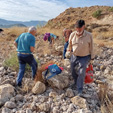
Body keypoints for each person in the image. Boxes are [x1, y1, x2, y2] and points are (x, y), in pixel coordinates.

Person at [66, 20, 94, 95]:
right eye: (76, 28)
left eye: (79, 28)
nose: (78, 30)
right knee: (72, 70)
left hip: (84, 56)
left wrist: (92, 58)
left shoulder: (89, 35)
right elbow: (70, 45)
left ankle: (80, 89)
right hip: (74, 56)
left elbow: (92, 47)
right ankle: (76, 82)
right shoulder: (72, 34)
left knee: (81, 72)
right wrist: (68, 51)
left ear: (83, 27)